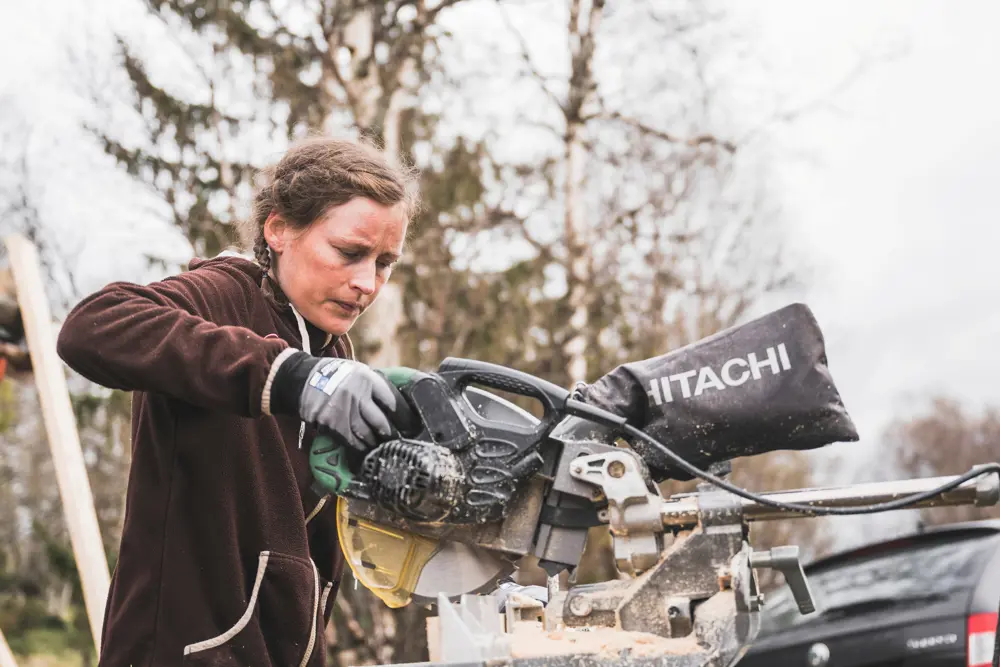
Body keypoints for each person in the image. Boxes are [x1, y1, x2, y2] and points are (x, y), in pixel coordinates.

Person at [56, 136, 421, 667]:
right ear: (279, 230)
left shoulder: (328, 346)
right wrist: (292, 376)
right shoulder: (221, 295)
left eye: (385, 262)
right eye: (349, 253)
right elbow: (91, 327)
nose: (367, 282)